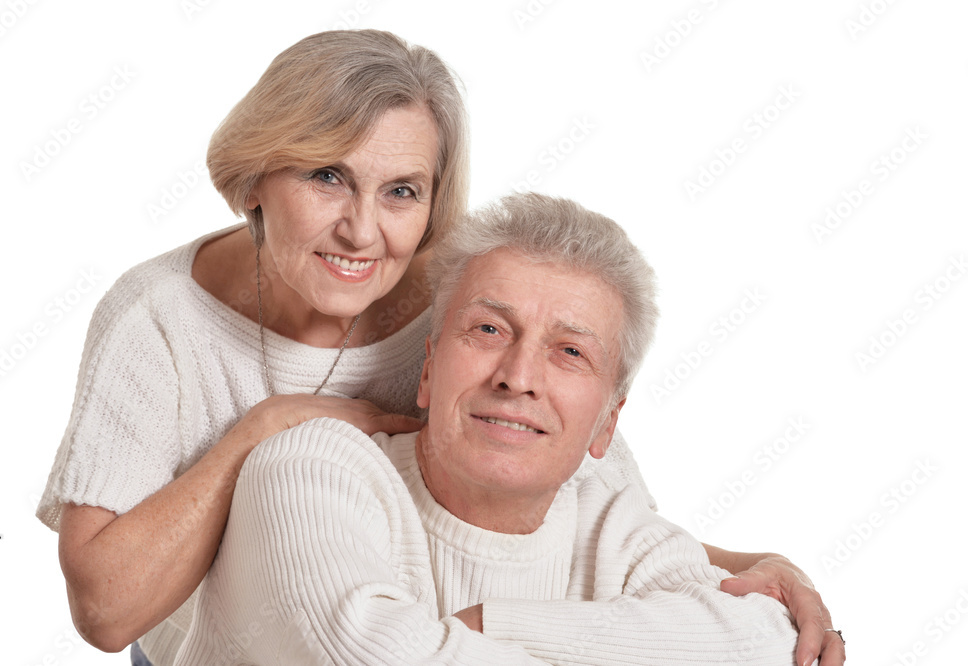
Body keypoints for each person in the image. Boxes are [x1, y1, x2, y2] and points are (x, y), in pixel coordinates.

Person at [36, 30, 841, 666]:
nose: (362, 230)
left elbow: (584, 510)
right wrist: (263, 428)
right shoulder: (160, 317)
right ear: (254, 180)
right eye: (326, 176)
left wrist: (754, 567)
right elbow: (106, 612)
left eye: (401, 193)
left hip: (431, 623)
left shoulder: (472, 318)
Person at [175, 193, 829, 665]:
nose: (518, 375)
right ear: (429, 370)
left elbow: (764, 643)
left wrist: (493, 624)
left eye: (570, 351)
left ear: (607, 423)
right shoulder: (311, 470)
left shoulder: (612, 523)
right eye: (488, 330)